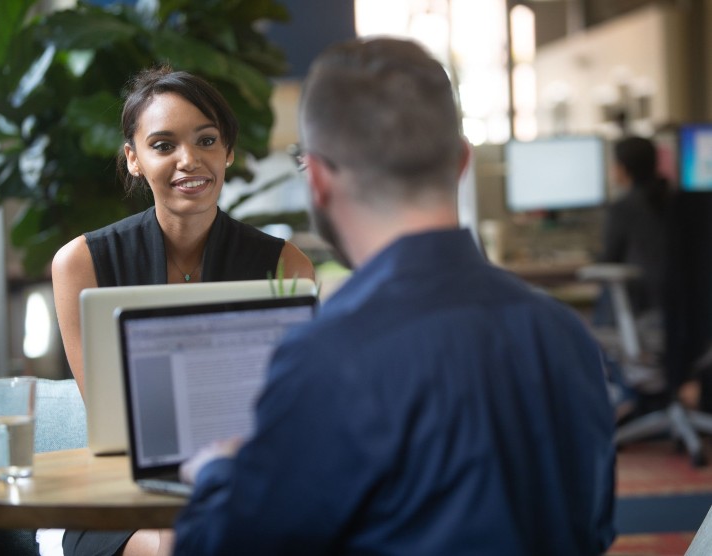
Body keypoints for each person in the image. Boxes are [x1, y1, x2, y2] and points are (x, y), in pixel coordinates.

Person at [172, 37, 616, 555]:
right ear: (462, 162)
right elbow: (593, 530)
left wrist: (217, 473)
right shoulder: (565, 334)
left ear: (316, 178)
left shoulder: (329, 356)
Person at [48, 66, 315, 556]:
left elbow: (290, 415)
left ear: (228, 151)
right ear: (133, 159)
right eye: (164, 145)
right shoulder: (80, 264)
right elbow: (116, 429)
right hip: (127, 495)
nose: (189, 160)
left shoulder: (286, 265)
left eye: (207, 140)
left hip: (247, 484)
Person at [600, 135, 672, 318]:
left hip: (640, 307)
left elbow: (608, 259)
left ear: (622, 168)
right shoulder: (676, 201)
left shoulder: (624, 208)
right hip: (677, 310)